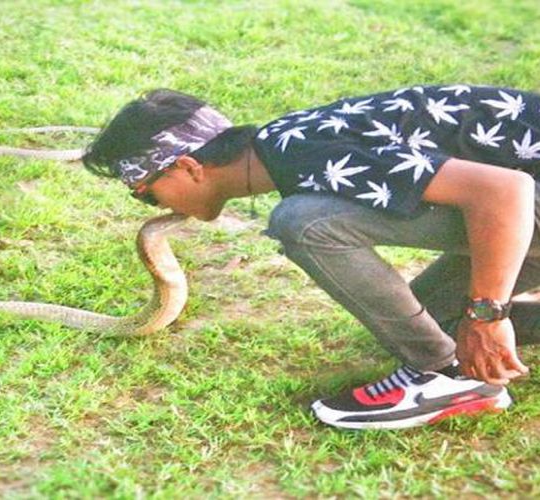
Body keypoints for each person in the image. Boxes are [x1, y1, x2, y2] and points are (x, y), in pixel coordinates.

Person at [82, 85, 540, 430]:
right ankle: (454, 352)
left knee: (304, 221)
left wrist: (486, 315)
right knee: (429, 320)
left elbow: (506, 192)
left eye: (145, 194)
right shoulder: (291, 141)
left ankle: (447, 379)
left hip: (521, 202)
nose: (154, 206)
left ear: (187, 166)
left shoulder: (304, 154)